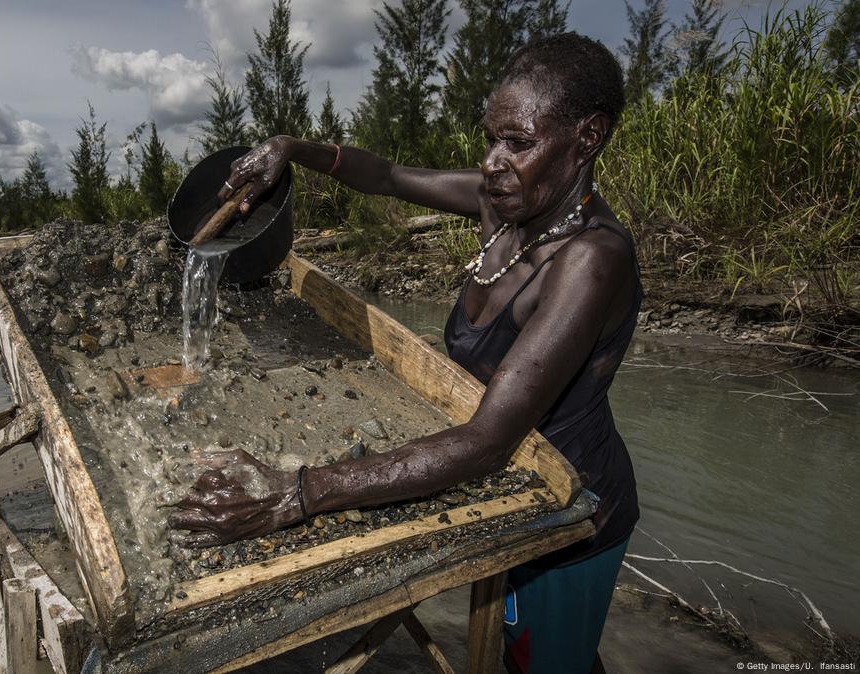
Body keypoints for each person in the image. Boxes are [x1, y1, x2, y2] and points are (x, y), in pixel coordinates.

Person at [168, 33, 640, 674]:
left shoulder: (589, 260)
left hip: (568, 506)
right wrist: (290, 149)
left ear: (588, 137)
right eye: (492, 138)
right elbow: (385, 177)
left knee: (542, 663)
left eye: (520, 143)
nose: (495, 161)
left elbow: (486, 442)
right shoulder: (501, 204)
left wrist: (295, 493)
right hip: (498, 475)